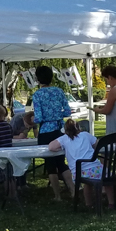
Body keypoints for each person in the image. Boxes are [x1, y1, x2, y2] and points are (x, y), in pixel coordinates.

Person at [49, 119, 111, 208]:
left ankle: (89, 204)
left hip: (78, 172)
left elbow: (51, 147)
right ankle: (112, 203)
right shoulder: (85, 135)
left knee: (87, 184)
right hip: (95, 168)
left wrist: (61, 148)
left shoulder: (64, 139)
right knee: (108, 177)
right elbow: (97, 144)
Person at [32, 65, 71, 200]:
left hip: (46, 131)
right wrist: (57, 115)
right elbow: (67, 111)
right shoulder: (59, 91)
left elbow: (39, 117)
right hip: (60, 129)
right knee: (61, 162)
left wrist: (32, 120)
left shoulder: (37, 94)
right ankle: (73, 190)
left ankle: (57, 195)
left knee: (50, 164)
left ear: (38, 79)